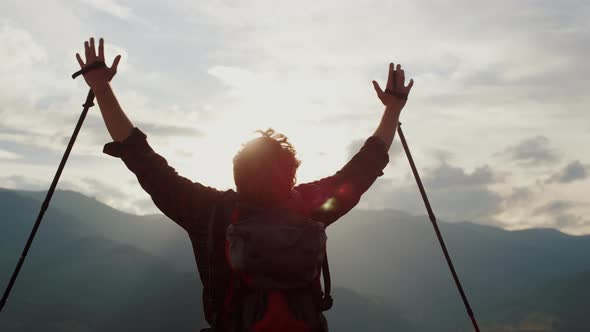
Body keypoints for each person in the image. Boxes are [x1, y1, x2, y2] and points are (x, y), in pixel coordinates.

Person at [75, 37, 414, 332]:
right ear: (292, 173)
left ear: (236, 171)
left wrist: (101, 89)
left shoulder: (209, 212)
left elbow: (143, 159)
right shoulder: (311, 207)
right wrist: (392, 111)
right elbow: (363, 168)